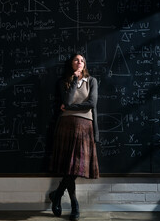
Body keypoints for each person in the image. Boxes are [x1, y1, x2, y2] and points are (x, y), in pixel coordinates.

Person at [49, 53, 100, 221]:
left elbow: (91, 104)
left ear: (85, 64)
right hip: (66, 126)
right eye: (76, 60)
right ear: (71, 64)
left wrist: (71, 107)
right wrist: (75, 81)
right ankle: (74, 205)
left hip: (85, 126)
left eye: (82, 60)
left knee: (75, 166)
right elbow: (68, 98)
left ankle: (57, 194)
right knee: (69, 167)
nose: (79, 62)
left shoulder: (92, 81)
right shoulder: (64, 82)